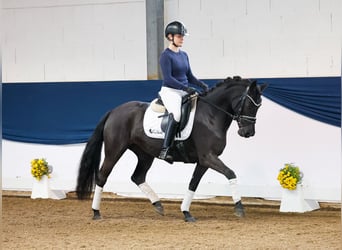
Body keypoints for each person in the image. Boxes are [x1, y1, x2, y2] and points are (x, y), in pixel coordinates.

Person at [158, 21, 209, 163]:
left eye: (182, 36)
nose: (182, 39)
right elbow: (168, 78)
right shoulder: (165, 56)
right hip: (170, 91)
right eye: (179, 36)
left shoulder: (184, 55)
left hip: (183, 91)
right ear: (170, 37)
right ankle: (165, 149)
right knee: (177, 114)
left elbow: (189, 76)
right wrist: (185, 88)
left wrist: (202, 85)